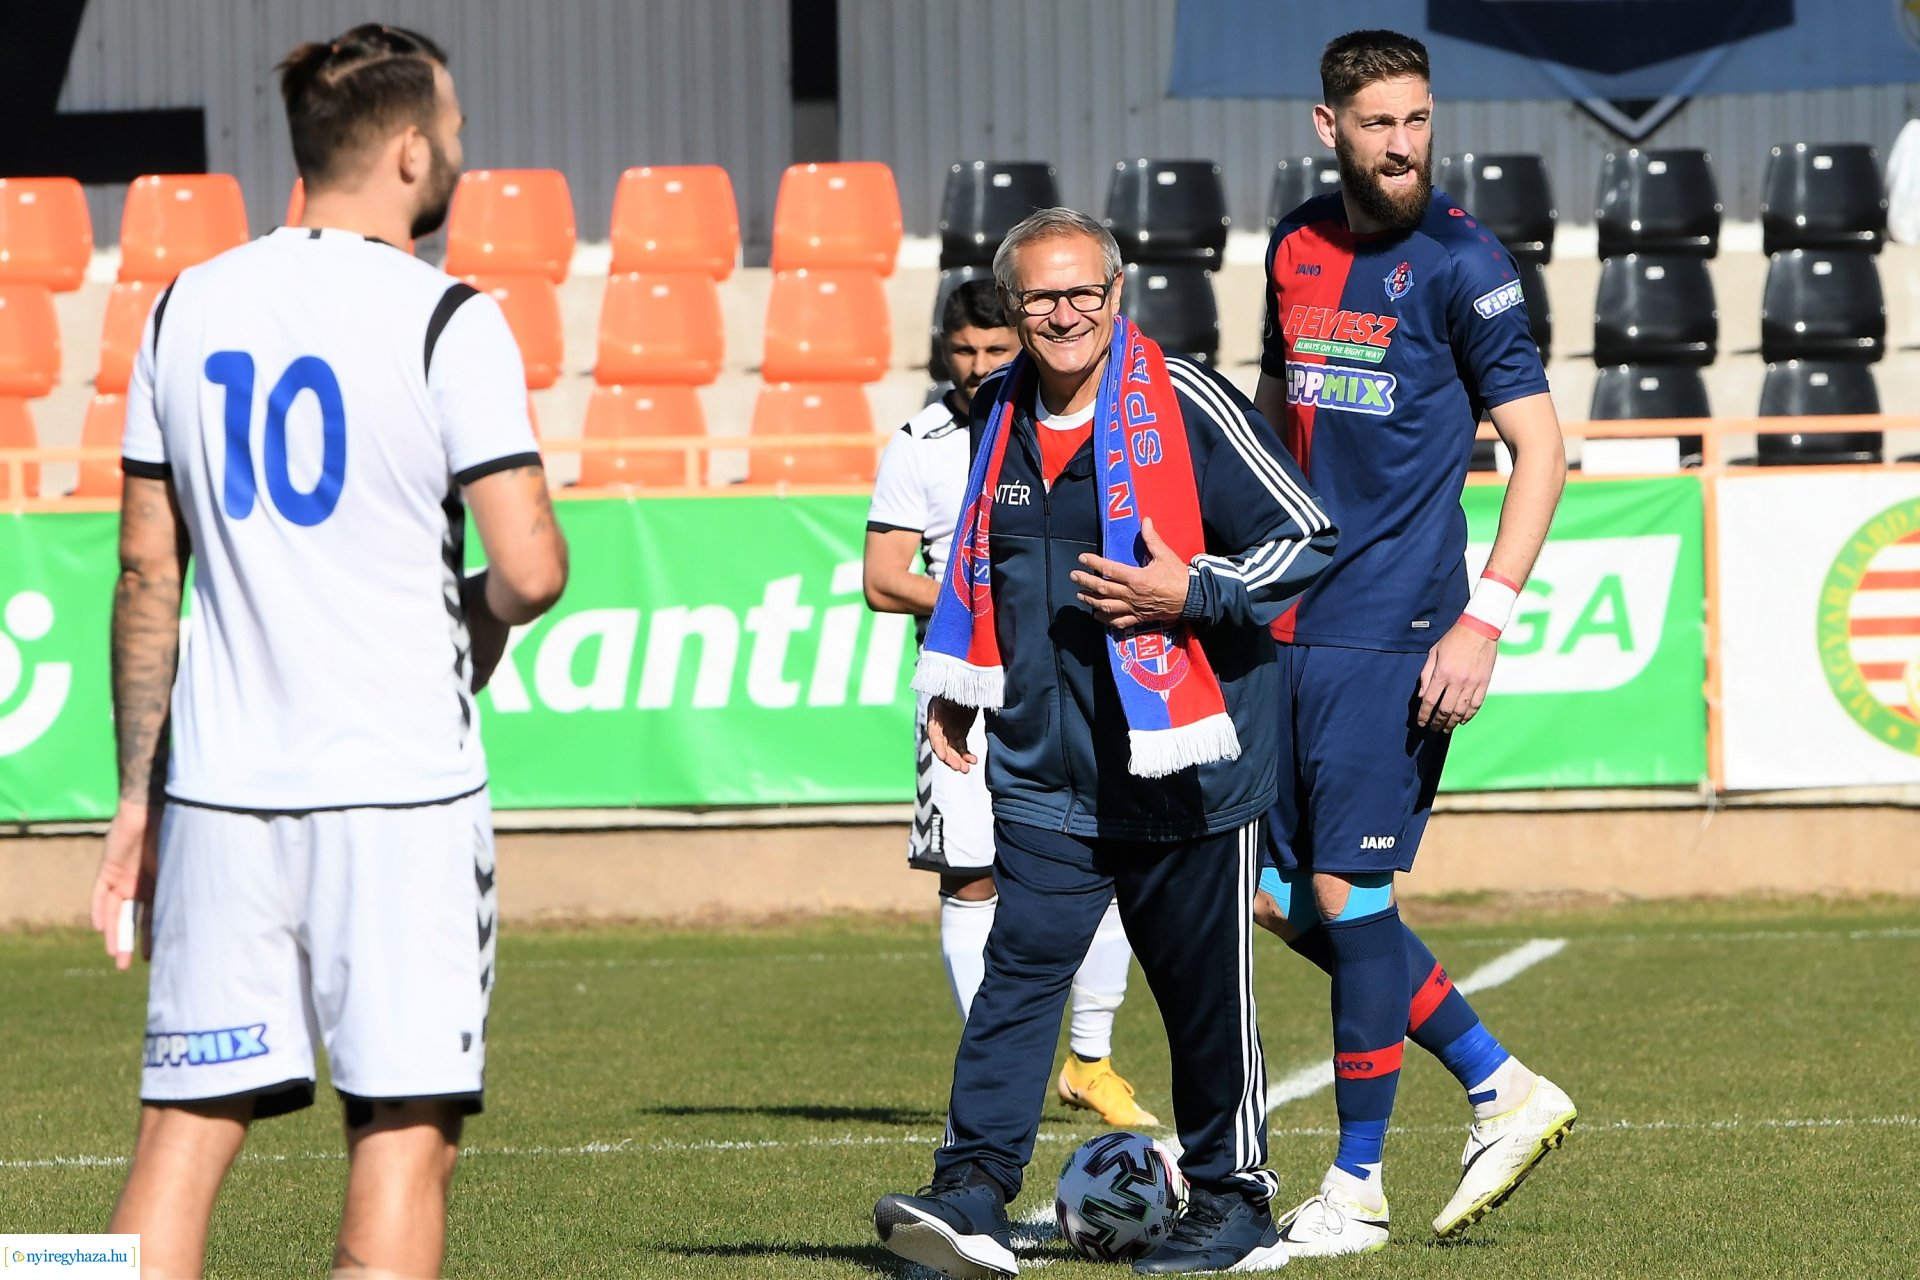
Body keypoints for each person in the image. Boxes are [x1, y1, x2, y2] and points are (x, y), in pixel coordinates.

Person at [87, 24, 568, 1280]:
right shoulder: (448, 317)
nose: (459, 147)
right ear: (410, 150)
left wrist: (137, 796)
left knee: (181, 1135)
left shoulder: (182, 305)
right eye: (452, 129)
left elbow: (148, 570)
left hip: (223, 790)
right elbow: (530, 569)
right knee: (403, 1136)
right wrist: (474, 619)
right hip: (400, 788)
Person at [872, 208, 1338, 1279]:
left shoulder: (1183, 398)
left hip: (1189, 772)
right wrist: (958, 685)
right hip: (1048, 769)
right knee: (1017, 980)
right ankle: (971, 1191)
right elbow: (981, 568)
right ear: (1013, 308)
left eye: (1085, 291)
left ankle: (1233, 1200)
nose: (1065, 312)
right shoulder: (995, 413)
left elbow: (1309, 533)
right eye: (1041, 296)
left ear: (1118, 294)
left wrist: (1195, 586)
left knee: (1202, 996)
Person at [1250, 28, 1576, 1258]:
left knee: (1349, 888)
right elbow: (1283, 421)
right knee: (1280, 895)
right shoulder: (1289, 243)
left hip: (1398, 627)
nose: (1403, 144)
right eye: (1378, 122)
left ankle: (1358, 1184)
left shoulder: (1465, 262)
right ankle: (1498, 1081)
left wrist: (1481, 620)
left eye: (1419, 119)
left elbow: (1540, 450)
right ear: (1327, 126)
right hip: (1286, 620)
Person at [863, 279, 1156, 1130]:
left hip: (1073, 672)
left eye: (996, 349)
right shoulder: (920, 442)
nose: (980, 365)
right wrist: (978, 606)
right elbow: (883, 579)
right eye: (966, 350)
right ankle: (1002, 1063)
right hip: (961, 681)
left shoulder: (1074, 419)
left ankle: (1091, 1062)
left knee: (1105, 865)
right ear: (941, 351)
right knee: (972, 875)